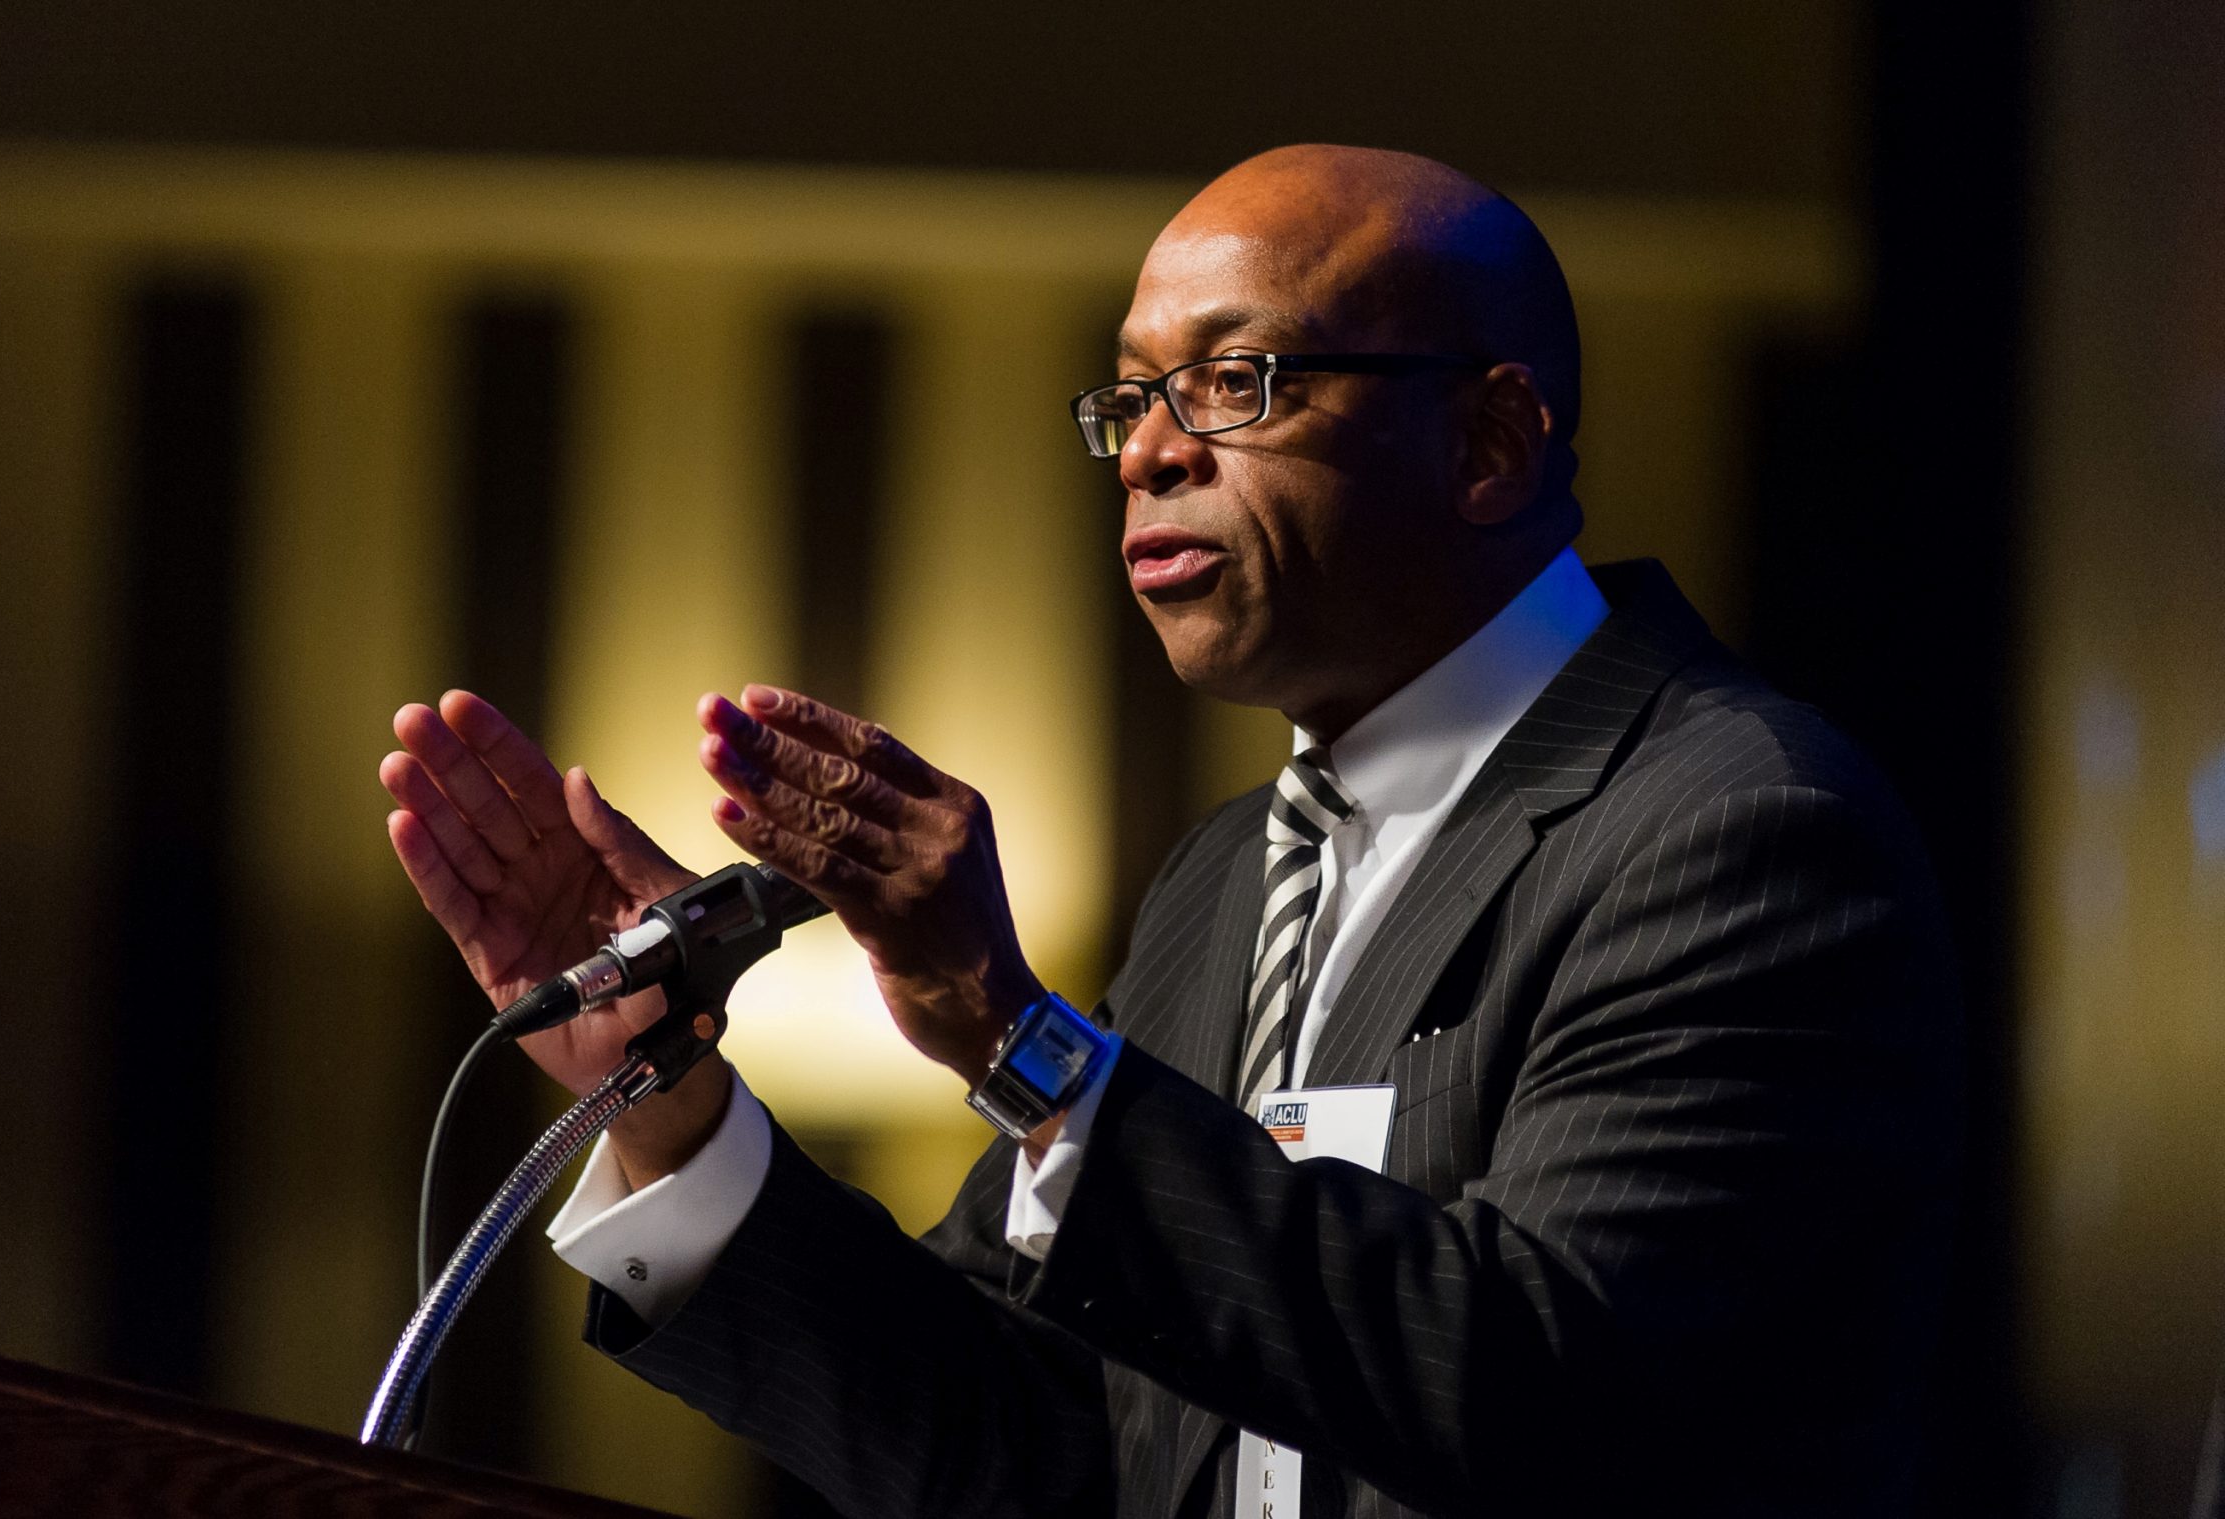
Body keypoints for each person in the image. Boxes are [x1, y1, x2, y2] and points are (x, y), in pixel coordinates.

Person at [378, 145, 1963, 1518]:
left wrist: (1017, 1037)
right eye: (1134, 395)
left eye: (1235, 381)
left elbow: (1545, 1391)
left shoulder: (1739, 832)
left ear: (1487, 445)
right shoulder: (1227, 882)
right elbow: (1024, 1447)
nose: (1145, 450)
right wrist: (667, 1103)